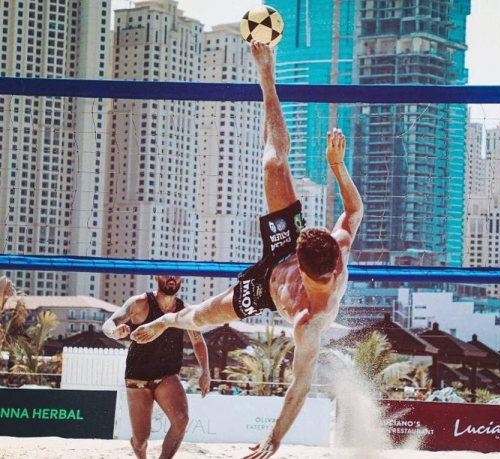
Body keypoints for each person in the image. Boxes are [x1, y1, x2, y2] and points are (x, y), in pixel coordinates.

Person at [130, 40, 363, 459]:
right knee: (273, 164)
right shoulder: (334, 243)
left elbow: (299, 385)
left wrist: (274, 437)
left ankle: (168, 322)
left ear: (319, 274)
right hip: (287, 251)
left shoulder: (309, 324)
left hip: (266, 291)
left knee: (198, 319)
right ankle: (267, 75)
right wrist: (337, 166)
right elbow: (353, 208)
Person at [103, 275, 210, 459]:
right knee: (141, 439)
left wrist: (205, 371)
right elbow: (109, 323)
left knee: (181, 420)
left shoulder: (184, 310)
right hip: (137, 377)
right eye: (167, 274)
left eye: (175, 275)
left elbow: (198, 341)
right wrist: (114, 332)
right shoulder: (140, 302)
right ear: (157, 277)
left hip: (167, 375)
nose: (171, 278)